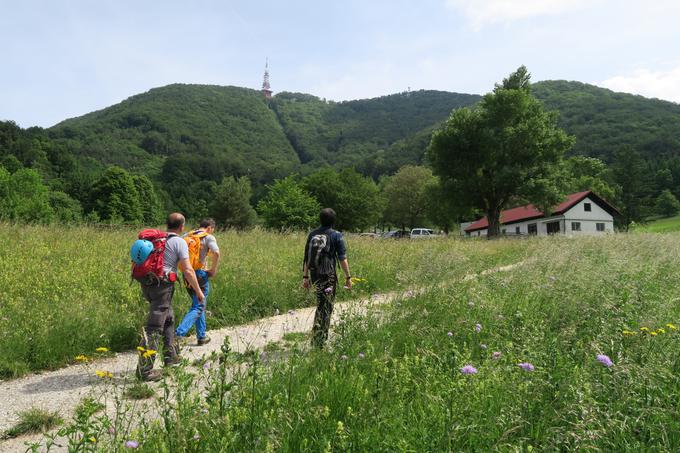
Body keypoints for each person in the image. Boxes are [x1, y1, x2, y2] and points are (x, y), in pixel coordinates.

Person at [137, 213, 205, 382]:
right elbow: (188, 270)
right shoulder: (179, 242)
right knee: (154, 326)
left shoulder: (157, 239)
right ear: (182, 226)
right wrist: (198, 291)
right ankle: (144, 370)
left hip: (147, 285)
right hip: (163, 286)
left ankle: (171, 357)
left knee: (169, 318)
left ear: (167, 224)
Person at [302, 208, 352, 348]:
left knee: (321, 304)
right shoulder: (336, 235)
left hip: (315, 274)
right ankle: (319, 341)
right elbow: (342, 258)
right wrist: (348, 277)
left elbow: (307, 258)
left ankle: (317, 338)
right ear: (333, 221)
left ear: (320, 219)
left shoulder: (312, 234)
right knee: (326, 306)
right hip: (328, 275)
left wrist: (305, 277)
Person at [176, 218, 221, 346]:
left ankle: (201, 336)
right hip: (200, 275)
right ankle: (178, 334)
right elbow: (216, 252)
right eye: (213, 229)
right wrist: (213, 269)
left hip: (187, 274)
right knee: (199, 305)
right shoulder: (208, 237)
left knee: (199, 303)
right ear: (209, 228)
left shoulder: (187, 235)